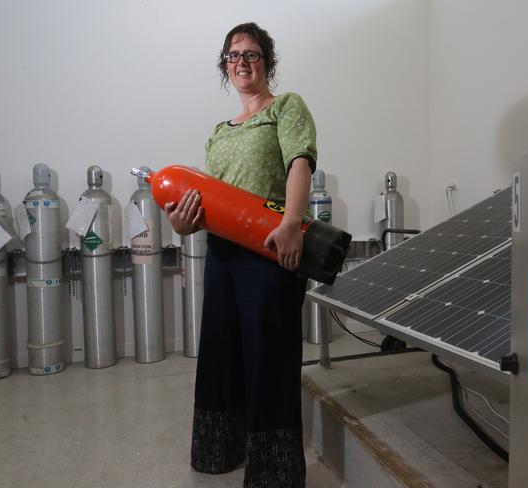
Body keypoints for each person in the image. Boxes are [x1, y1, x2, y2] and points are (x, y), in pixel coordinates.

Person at [164, 22, 317, 488]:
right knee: (221, 355)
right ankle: (220, 453)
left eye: (252, 54)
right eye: (233, 56)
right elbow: (210, 207)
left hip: (272, 252)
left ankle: (274, 473)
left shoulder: (286, 108)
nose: (242, 62)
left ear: (267, 62)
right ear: (225, 66)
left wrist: (291, 223)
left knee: (268, 360)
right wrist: (181, 223)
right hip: (222, 258)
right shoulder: (219, 132)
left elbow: (300, 163)